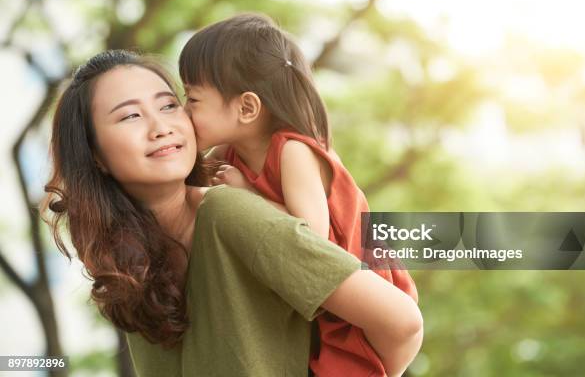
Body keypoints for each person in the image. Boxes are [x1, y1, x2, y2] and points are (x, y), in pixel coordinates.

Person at [41, 49, 423, 377]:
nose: (161, 127)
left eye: (169, 104)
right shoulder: (128, 265)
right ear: (95, 155)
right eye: (130, 117)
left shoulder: (228, 212)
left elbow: (401, 323)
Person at [179, 13, 419, 376]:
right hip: (315, 296)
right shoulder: (228, 153)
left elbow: (312, 236)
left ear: (246, 107)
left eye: (192, 99)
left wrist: (245, 194)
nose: (183, 112)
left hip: (357, 295)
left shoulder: (293, 151)